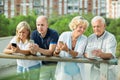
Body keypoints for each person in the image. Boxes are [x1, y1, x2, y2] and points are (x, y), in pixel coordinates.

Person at [53, 16, 89, 80]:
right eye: (80, 27)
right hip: (64, 70)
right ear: (74, 26)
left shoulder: (84, 38)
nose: (82, 30)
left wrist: (67, 50)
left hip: (78, 71)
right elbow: (55, 54)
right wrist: (57, 51)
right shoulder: (64, 35)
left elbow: (79, 54)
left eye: (84, 28)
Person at [84, 16, 117, 80]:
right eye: (94, 27)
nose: (96, 29)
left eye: (98, 26)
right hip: (94, 70)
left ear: (104, 26)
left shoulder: (110, 37)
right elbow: (85, 52)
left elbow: (110, 55)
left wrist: (100, 54)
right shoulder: (90, 38)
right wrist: (87, 55)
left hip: (108, 70)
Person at [29, 15, 59, 80]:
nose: (40, 27)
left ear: (47, 25)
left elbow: (50, 52)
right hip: (44, 64)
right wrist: (32, 49)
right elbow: (33, 53)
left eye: (42, 25)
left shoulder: (54, 33)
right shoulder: (34, 34)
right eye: (38, 25)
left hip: (56, 65)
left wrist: (38, 49)